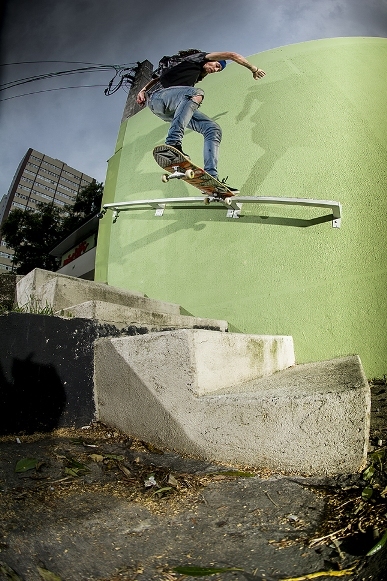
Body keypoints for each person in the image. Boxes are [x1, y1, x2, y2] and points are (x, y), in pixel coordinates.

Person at [136, 51, 265, 193]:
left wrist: (143, 89)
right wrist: (254, 69)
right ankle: (172, 143)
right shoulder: (196, 59)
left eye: (218, 70)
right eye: (216, 65)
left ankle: (211, 177)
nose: (215, 70)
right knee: (196, 93)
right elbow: (232, 55)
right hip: (159, 99)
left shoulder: (195, 75)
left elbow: (160, 76)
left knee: (213, 129)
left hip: (175, 108)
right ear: (211, 59)